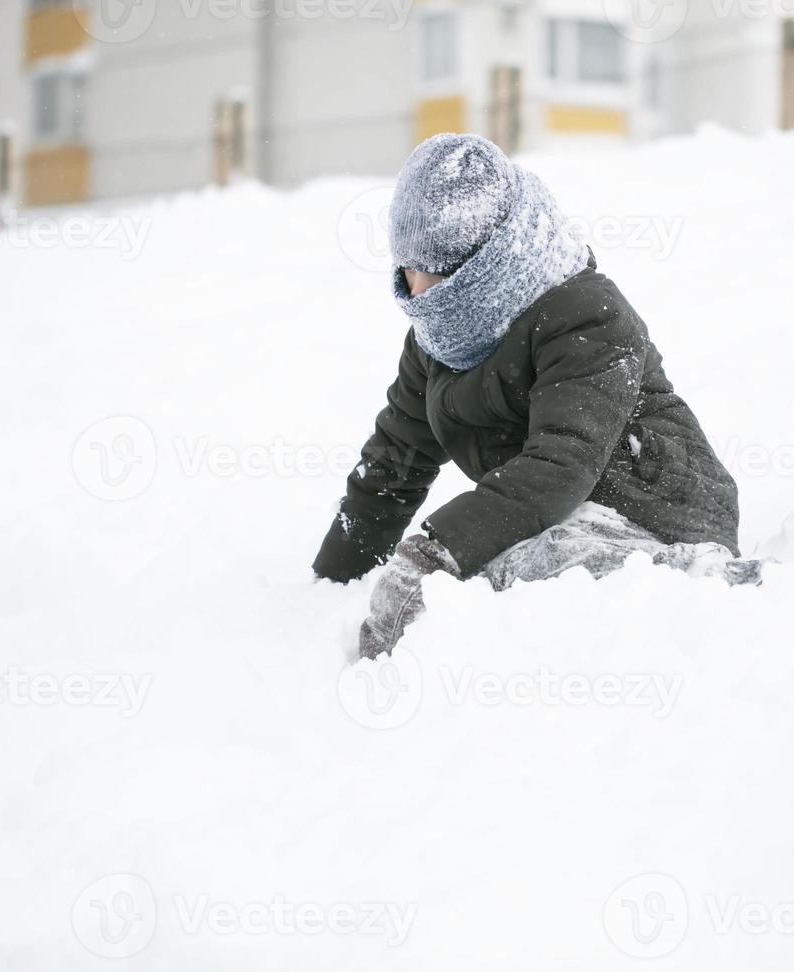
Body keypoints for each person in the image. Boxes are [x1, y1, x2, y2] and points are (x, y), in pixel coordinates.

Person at [313, 134, 752, 659]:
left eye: (435, 271)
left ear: (482, 263)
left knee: (516, 568)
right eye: (409, 266)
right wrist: (334, 581)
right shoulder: (440, 337)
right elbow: (394, 457)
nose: (418, 290)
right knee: (498, 565)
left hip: (659, 510)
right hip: (559, 513)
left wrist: (440, 549)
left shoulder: (584, 314)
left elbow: (561, 463)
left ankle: (712, 582)